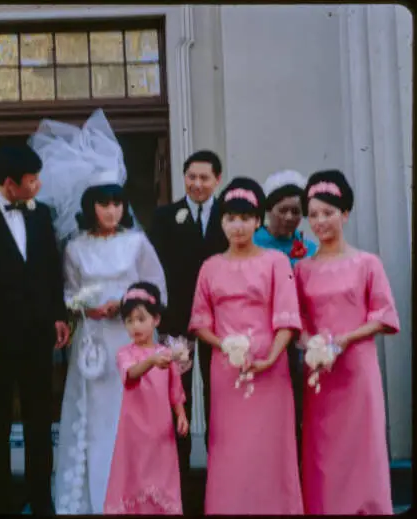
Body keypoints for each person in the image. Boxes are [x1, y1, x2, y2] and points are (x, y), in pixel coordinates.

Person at [29, 109, 167, 514]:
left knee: (133, 413)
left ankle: (138, 495)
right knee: (95, 415)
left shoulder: (137, 245)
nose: (111, 211)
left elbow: (157, 288)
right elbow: (70, 294)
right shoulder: (75, 248)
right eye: (103, 205)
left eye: (117, 204)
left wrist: (130, 306)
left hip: (133, 336)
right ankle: (92, 496)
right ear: (90, 208)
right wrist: (89, 307)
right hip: (93, 343)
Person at [0, 144, 70, 514]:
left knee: (40, 422)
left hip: (37, 336)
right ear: (9, 184)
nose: (38, 185)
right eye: (32, 179)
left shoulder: (41, 215)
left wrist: (58, 315)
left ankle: (41, 499)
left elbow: (51, 269)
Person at [188, 177, 303, 514]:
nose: (237, 226)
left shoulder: (276, 262)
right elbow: (199, 322)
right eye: (230, 218)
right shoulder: (210, 268)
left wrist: (270, 357)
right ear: (221, 222)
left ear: (257, 220)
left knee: (271, 447)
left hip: (271, 367)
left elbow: (288, 318)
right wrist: (224, 344)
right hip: (227, 369)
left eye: (245, 218)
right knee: (230, 448)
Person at [295, 170, 399, 514]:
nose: (320, 221)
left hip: (357, 369)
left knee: (362, 445)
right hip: (320, 373)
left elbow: (382, 315)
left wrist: (343, 339)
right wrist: (313, 344)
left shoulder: (367, 263)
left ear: (345, 214)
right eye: (313, 215)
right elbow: (297, 321)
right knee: (323, 449)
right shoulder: (302, 270)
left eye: (328, 213)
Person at [147, 150, 228, 511]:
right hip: (177, 323)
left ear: (218, 180)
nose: (197, 184)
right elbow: (154, 269)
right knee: (177, 402)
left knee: (219, 400)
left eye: (204, 178)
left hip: (219, 325)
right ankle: (176, 483)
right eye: (191, 177)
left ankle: (220, 479)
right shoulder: (165, 217)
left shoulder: (231, 216)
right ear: (184, 179)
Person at [103, 282, 188, 515]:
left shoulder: (165, 353)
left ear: (156, 320)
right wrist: (151, 361)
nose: (135, 326)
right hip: (134, 429)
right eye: (129, 321)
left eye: (141, 319)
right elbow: (130, 374)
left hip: (161, 429)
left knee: (162, 473)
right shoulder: (125, 354)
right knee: (135, 473)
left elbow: (175, 390)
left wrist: (180, 415)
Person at [254, 169, 318, 460]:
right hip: (266, 336)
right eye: (284, 210)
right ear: (269, 210)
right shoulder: (254, 243)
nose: (291, 217)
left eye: (297, 211)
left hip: (303, 339)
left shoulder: (311, 248)